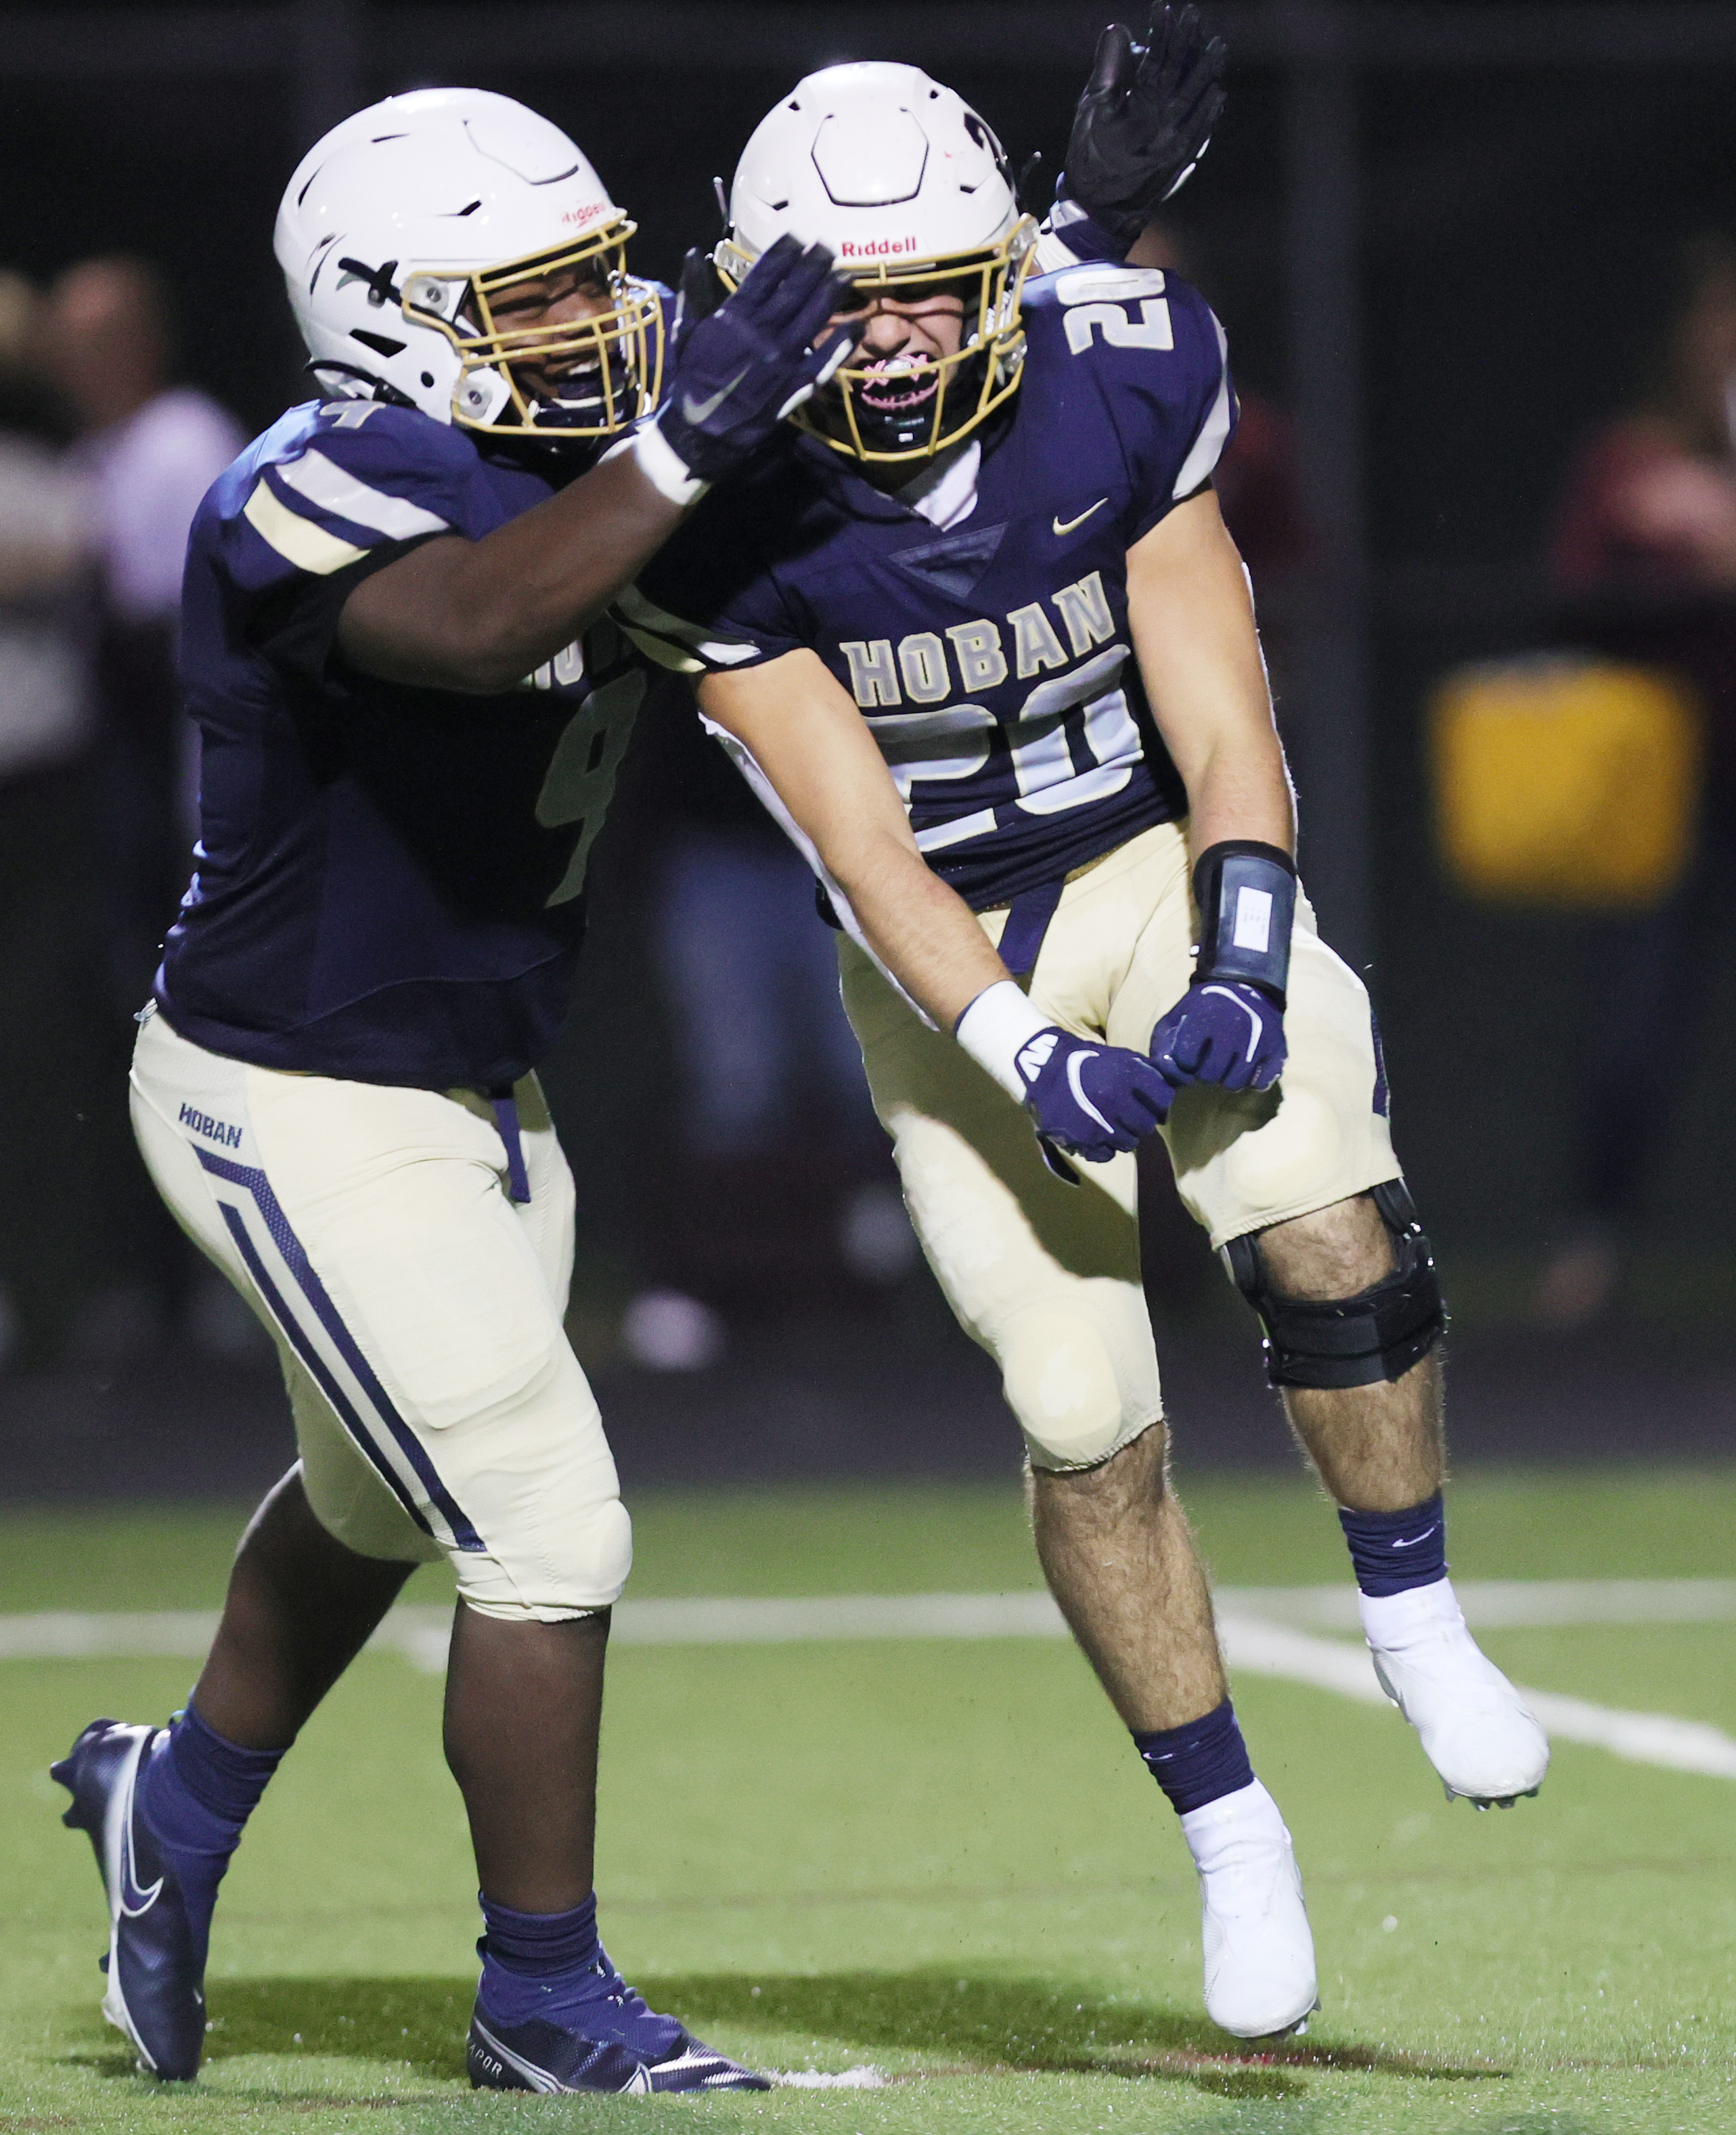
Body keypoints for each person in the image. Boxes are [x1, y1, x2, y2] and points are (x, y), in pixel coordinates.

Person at [625, 46, 1551, 2043]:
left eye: (921, 294)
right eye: (833, 301)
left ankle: (1409, 1610)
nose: (880, 349)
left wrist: (1232, 940)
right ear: (753, 294)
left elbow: (1216, 698)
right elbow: (854, 844)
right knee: (1080, 1411)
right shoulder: (701, 503)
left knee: (1322, 1223)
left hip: (1140, 857)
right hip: (942, 950)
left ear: (1004, 277)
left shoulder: (1118, 362)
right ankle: (1231, 1836)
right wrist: (1022, 1053)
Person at [51, 85, 862, 2096]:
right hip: (282, 1089)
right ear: (388, 315)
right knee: (543, 1522)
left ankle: (180, 1797)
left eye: (595, 271)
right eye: (533, 291)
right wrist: (687, 441)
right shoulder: (308, 478)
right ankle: (540, 1994)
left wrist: (1070, 236)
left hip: (483, 1087)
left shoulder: (595, 448)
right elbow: (479, 619)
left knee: (368, 1498)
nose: (596, 318)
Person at [1540, 234, 1736, 1326]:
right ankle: (1592, 1247)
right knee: (1636, 1026)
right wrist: (1672, 546)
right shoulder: (1629, 459)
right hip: (1662, 795)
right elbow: (1567, 599)